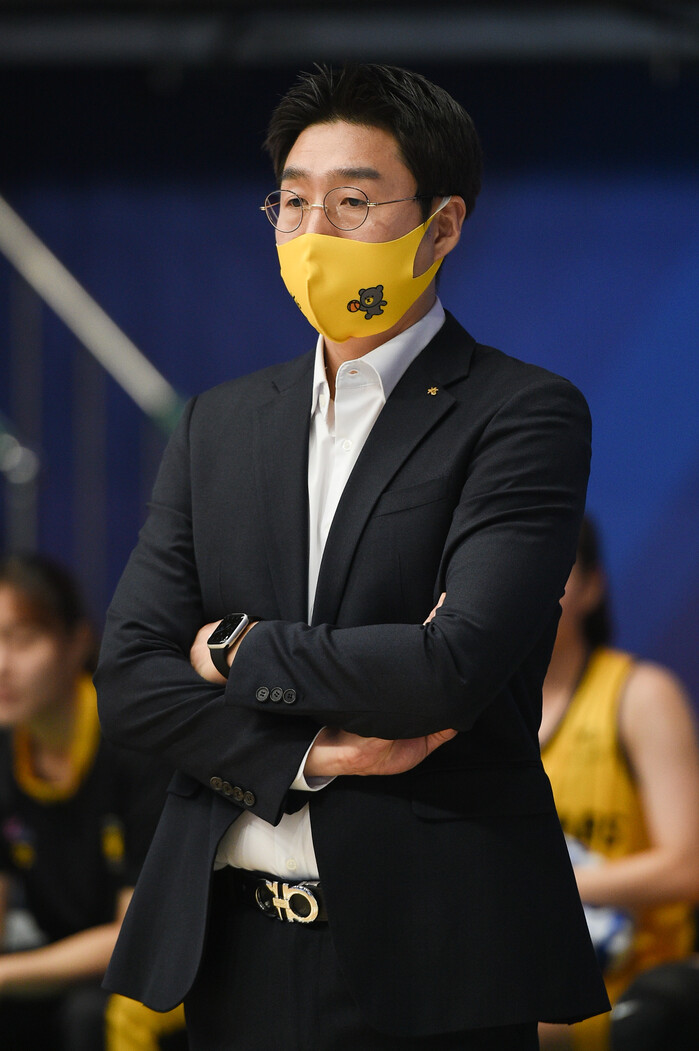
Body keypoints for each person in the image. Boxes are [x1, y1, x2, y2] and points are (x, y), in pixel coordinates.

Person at [95, 63, 610, 1050]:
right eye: (292, 202)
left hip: (434, 952)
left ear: (442, 227)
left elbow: (447, 669)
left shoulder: (521, 413)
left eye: (353, 202)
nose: (312, 233)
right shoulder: (218, 423)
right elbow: (129, 680)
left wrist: (233, 649)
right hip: (230, 944)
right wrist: (307, 752)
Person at [0, 552, 186, 1050]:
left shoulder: (134, 744)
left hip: (158, 968)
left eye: (23, 640)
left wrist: (7, 973)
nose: (2, 665)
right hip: (60, 963)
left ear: (76, 643)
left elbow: (135, 936)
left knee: (90, 1016)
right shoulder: (6, 754)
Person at [538, 517, 699, 1050]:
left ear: (592, 587)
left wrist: (538, 888)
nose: (526, 585)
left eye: (551, 570)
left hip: (634, 998)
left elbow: (688, 866)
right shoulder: (463, 713)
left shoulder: (641, 696)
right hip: (520, 990)